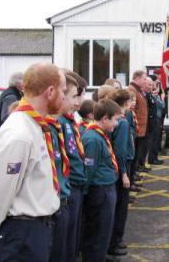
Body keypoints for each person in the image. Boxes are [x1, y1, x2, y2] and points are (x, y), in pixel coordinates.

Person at [0, 63, 65, 261]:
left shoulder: (36, 126)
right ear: (50, 92)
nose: (63, 96)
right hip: (21, 234)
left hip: (37, 230)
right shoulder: (19, 133)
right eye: (62, 90)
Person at [81, 99, 121, 262]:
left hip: (106, 189)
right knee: (98, 231)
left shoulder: (100, 135)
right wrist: (87, 194)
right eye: (115, 120)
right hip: (100, 191)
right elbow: (89, 171)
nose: (116, 124)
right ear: (105, 118)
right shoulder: (92, 139)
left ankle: (99, 256)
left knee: (104, 230)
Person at [47, 74, 79, 262]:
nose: (78, 102)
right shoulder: (48, 127)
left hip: (65, 195)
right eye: (74, 96)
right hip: (54, 203)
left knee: (66, 249)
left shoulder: (59, 125)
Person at [57, 69, 88, 262]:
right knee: (64, 244)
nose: (78, 102)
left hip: (76, 185)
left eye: (80, 96)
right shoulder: (60, 122)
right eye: (75, 96)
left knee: (71, 239)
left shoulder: (69, 121)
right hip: (68, 188)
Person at [107, 89, 132, 257]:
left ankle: (113, 241)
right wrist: (123, 173)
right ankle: (115, 242)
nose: (133, 104)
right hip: (121, 167)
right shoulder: (122, 123)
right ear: (126, 103)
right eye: (131, 101)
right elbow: (120, 150)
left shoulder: (118, 120)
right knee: (120, 208)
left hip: (116, 167)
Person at [0, 72, 24, 136]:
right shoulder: (11, 96)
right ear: (17, 83)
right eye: (24, 81)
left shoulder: (13, 92)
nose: (25, 84)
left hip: (0, 131)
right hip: (0, 133)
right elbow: (6, 117)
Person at [128, 71, 149, 176]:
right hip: (137, 127)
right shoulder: (131, 90)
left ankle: (134, 175)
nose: (145, 81)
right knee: (134, 154)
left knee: (137, 153)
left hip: (141, 127)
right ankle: (132, 176)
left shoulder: (138, 90)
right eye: (144, 79)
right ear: (137, 78)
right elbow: (132, 110)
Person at [148, 81, 166, 164]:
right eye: (156, 87)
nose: (157, 89)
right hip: (155, 120)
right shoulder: (155, 96)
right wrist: (162, 98)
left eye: (158, 87)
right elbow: (162, 106)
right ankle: (152, 159)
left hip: (158, 120)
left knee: (157, 140)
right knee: (154, 140)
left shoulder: (156, 96)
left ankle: (155, 158)